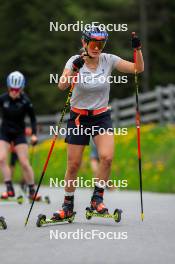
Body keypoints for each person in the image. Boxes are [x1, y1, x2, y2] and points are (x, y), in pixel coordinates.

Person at [53, 25, 144, 220]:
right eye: (93, 43)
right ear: (84, 42)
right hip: (79, 118)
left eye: (101, 44)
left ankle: (97, 199)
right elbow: (61, 86)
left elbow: (138, 69)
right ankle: (67, 205)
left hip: (101, 116)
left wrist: (138, 50)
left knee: (107, 157)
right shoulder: (74, 61)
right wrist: (74, 69)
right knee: (74, 164)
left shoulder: (108, 59)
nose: (97, 48)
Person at [0, 71, 40, 200]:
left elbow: (33, 119)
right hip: (5, 132)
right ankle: (9, 188)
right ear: (8, 88)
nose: (14, 92)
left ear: (21, 88)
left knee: (24, 162)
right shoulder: (3, 98)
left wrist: (34, 134)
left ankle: (32, 190)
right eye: (12, 89)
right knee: (1, 159)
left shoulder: (26, 101)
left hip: (19, 133)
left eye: (17, 90)